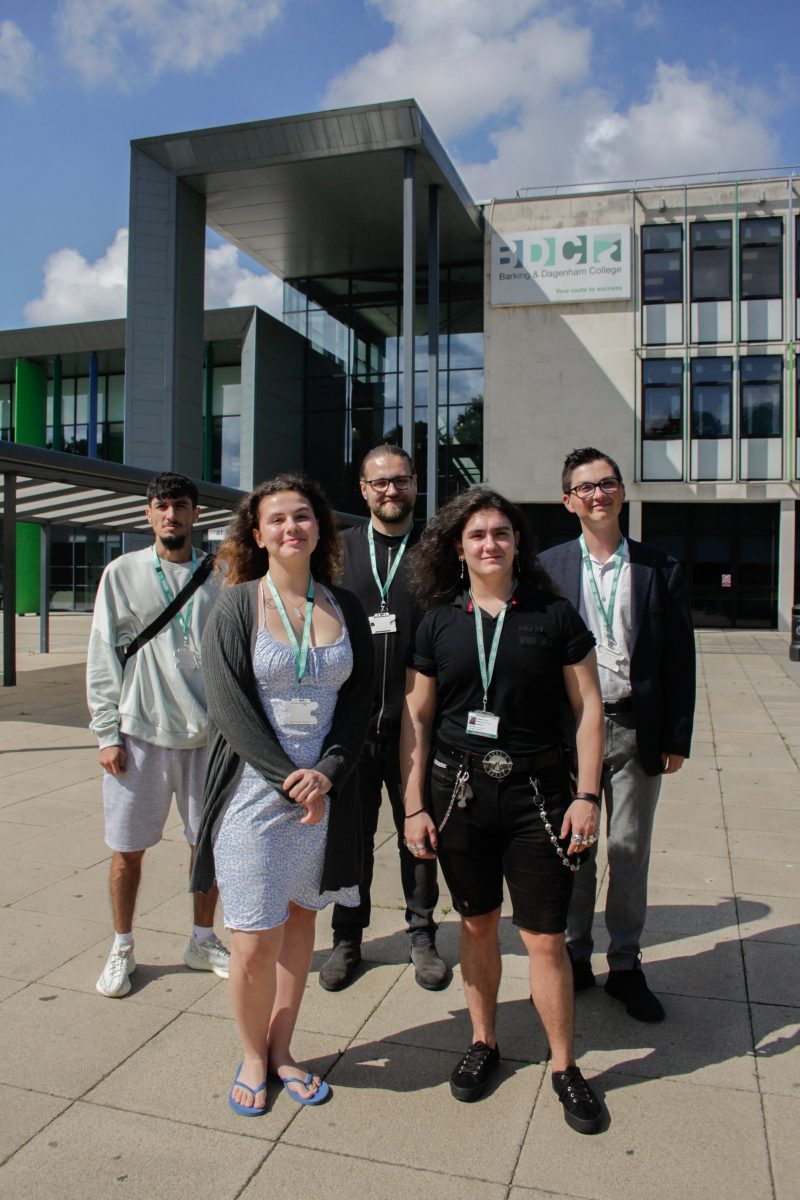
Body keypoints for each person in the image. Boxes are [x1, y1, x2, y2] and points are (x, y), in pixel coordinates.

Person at [400, 486, 606, 1134]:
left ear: (518, 543)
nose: (490, 543)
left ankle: (565, 1066)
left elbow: (591, 709)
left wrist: (587, 795)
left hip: (538, 797)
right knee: (478, 924)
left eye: (501, 533)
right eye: (477, 535)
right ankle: (484, 1042)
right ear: (457, 550)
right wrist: (412, 807)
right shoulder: (438, 621)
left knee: (545, 937)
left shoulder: (555, 615)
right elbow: (417, 718)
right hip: (459, 797)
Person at [190, 473, 373, 1116]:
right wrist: (288, 778)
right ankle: (250, 1053)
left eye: (302, 516)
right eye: (276, 519)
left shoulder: (345, 606)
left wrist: (325, 771)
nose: (290, 528)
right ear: (257, 534)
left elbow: (361, 702)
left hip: (325, 798)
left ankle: (284, 1048)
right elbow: (229, 707)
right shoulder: (236, 606)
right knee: (252, 940)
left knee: (301, 926)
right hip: (252, 796)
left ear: (320, 528)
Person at [538, 447, 695, 1023]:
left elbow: (679, 656)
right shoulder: (549, 569)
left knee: (628, 851)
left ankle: (625, 964)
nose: (597, 494)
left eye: (607, 483)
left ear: (622, 492)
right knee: (574, 847)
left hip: (636, 728)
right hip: (568, 731)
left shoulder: (659, 567)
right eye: (584, 487)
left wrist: (677, 734)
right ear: (568, 501)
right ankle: (575, 956)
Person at [87, 472, 228, 998]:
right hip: (139, 734)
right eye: (162, 506)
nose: (171, 515)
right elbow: (103, 656)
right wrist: (106, 733)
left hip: (206, 738)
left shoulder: (221, 576)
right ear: (149, 514)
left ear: (195, 514)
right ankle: (122, 946)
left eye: (181, 506)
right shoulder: (121, 574)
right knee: (126, 850)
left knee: (205, 846)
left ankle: (202, 939)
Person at [319, 444, 445, 992]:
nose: (390, 490)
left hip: (419, 725)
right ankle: (348, 937)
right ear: (364, 491)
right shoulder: (339, 551)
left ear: (415, 484)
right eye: (379, 483)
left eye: (400, 480)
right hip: (351, 726)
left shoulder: (439, 551)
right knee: (349, 837)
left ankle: (422, 934)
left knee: (419, 834)